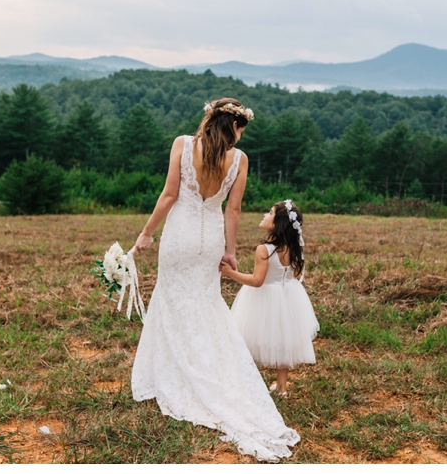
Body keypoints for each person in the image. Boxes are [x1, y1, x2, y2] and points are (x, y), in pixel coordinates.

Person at [130, 98, 300, 462]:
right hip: (211, 239)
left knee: (174, 299)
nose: (240, 135)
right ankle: (211, 368)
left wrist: (146, 234)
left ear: (209, 118)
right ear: (235, 126)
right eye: (241, 129)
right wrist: (231, 250)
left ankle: (177, 372)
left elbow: (169, 195)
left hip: (179, 236)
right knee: (206, 304)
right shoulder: (240, 160)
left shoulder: (182, 144)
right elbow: (233, 209)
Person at [221, 200, 319, 397]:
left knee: (249, 338)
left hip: (264, 298)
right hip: (289, 297)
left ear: (277, 224)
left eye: (269, 213)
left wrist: (230, 273)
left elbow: (257, 281)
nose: (264, 215)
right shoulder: (295, 249)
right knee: (283, 340)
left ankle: (247, 383)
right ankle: (281, 387)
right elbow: (296, 275)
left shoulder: (264, 249)